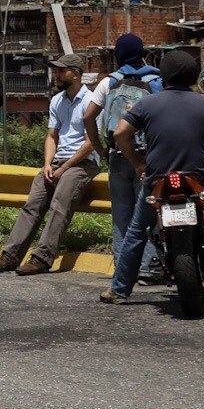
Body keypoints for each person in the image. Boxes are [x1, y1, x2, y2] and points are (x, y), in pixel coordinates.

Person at [100, 47, 204, 304]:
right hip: (198, 180)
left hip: (157, 182)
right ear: (194, 76)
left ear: (164, 76)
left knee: (136, 231)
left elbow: (119, 134)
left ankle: (118, 289)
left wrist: (138, 163)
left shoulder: (147, 103)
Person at [0, 54, 99, 275]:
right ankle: (11, 255)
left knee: (59, 203)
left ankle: (42, 258)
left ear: (75, 74)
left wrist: (63, 168)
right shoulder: (57, 100)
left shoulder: (92, 101)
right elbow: (51, 136)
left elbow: (91, 143)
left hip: (81, 163)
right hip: (57, 162)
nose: (56, 75)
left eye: (61, 71)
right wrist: (48, 164)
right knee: (33, 204)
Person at [81, 33, 165, 283]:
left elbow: (88, 117)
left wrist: (99, 148)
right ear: (142, 53)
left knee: (121, 215)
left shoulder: (109, 82)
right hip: (148, 156)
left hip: (118, 155)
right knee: (149, 213)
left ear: (118, 56)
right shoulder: (157, 80)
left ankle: (123, 268)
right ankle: (149, 268)